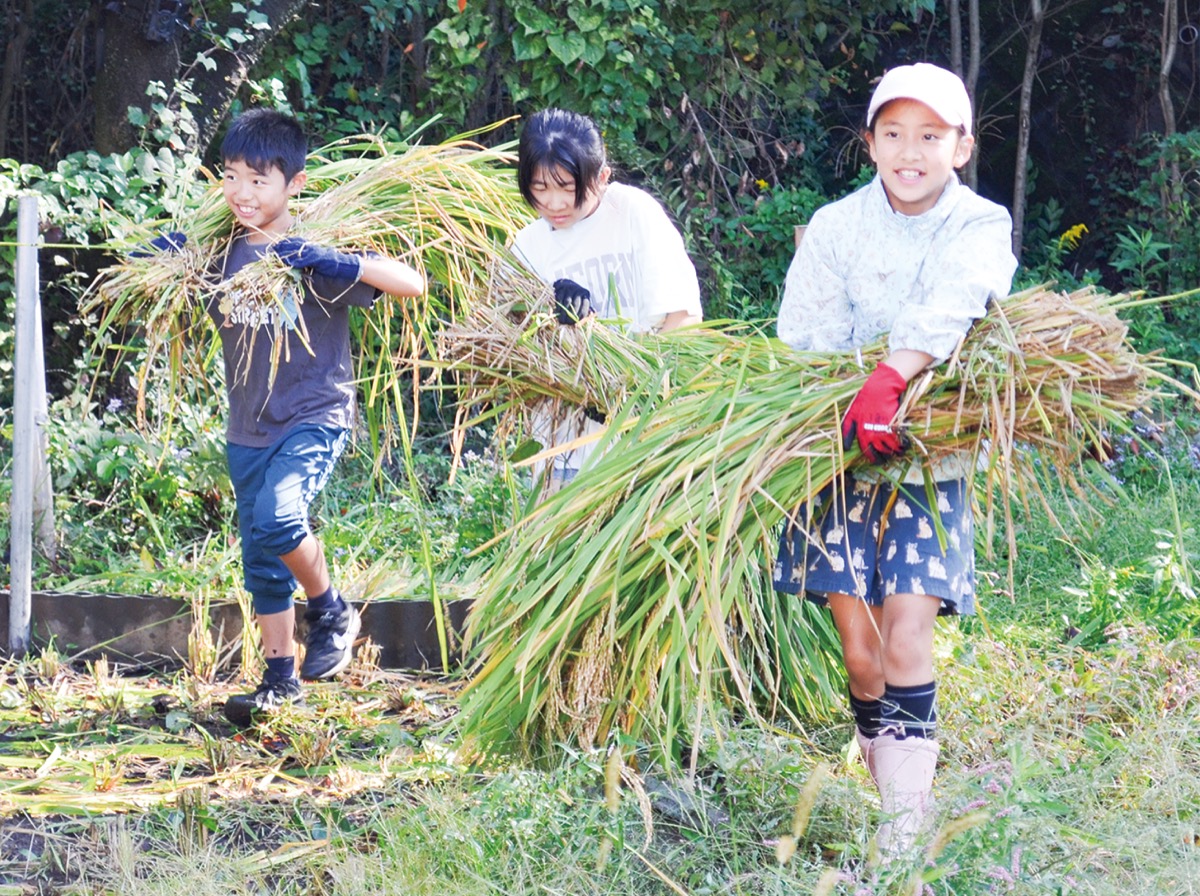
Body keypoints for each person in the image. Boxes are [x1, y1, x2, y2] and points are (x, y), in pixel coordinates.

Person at [772, 63, 1018, 858]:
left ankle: (900, 844)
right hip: (838, 457)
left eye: (931, 135)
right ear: (870, 143)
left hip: (929, 460)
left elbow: (956, 297)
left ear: (962, 146)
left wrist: (894, 375)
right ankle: (893, 803)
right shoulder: (836, 225)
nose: (910, 152)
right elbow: (803, 331)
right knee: (864, 654)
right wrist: (853, 394)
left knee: (909, 634)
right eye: (894, 134)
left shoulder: (980, 224)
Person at [150, 108, 425, 725]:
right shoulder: (219, 255)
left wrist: (337, 262)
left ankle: (331, 607)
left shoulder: (311, 251)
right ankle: (280, 679)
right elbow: (162, 280)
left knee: (279, 519)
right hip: (247, 428)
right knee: (260, 562)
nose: (242, 193)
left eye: (259, 179)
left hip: (313, 414)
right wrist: (161, 261)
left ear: (293, 184)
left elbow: (412, 283)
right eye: (232, 177)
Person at [512, 107, 703, 486]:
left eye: (567, 188)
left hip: (641, 444)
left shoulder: (632, 213)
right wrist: (551, 322)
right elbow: (513, 347)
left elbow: (682, 320)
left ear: (601, 177)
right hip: (561, 452)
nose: (554, 203)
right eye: (539, 189)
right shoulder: (526, 248)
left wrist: (629, 394)